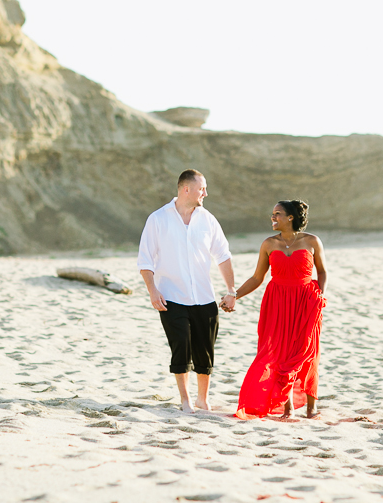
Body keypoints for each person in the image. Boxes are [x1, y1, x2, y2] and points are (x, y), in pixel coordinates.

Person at [138, 169, 236, 413]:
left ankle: (202, 399)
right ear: (186, 189)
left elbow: (223, 256)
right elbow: (145, 261)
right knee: (180, 346)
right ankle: (185, 400)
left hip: (204, 297)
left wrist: (231, 290)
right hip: (171, 297)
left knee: (206, 349)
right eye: (202, 188)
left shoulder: (208, 220)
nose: (206, 193)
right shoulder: (158, 219)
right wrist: (152, 291)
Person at [221, 200, 327, 419]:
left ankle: (311, 406)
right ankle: (287, 406)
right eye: (272, 214)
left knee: (308, 352)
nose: (273, 217)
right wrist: (234, 295)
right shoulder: (269, 244)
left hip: (307, 302)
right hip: (277, 303)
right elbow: (257, 278)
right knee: (278, 353)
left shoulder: (312, 241)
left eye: (277, 214)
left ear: (290, 217)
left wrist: (320, 295)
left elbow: (322, 271)